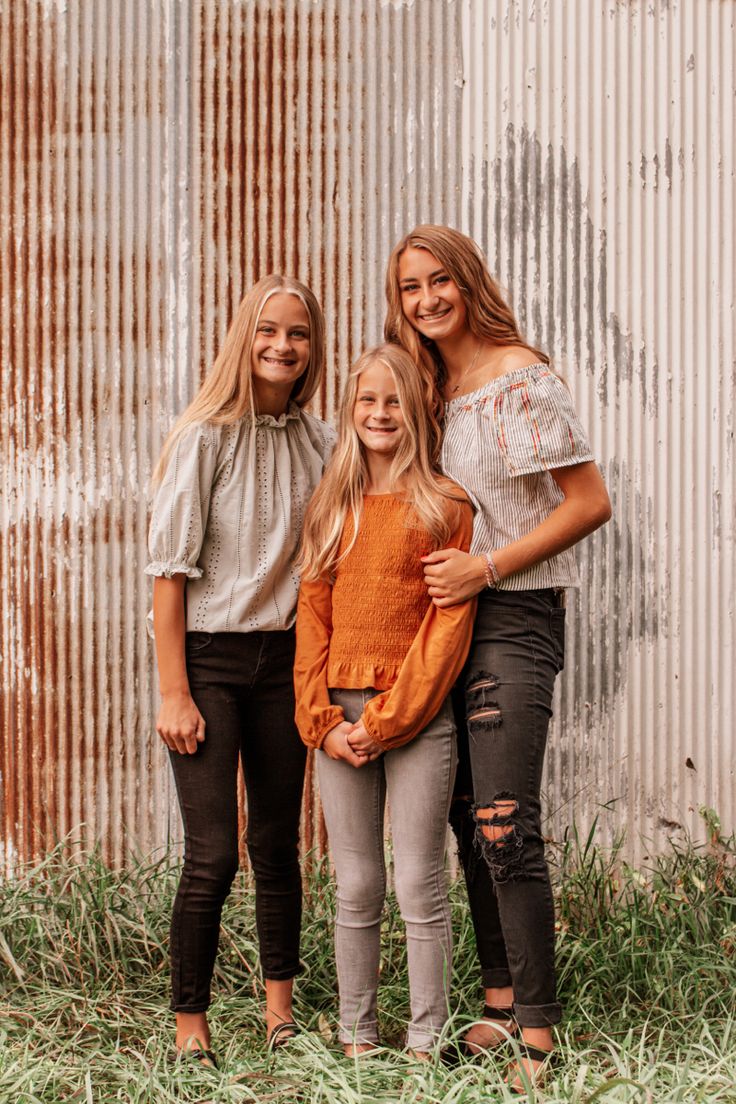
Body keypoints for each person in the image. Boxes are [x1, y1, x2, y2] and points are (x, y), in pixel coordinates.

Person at [384, 225, 612, 1088]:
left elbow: (589, 504)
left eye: (440, 281)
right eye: (410, 288)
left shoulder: (518, 378)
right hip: (444, 622)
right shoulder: (431, 388)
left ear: (469, 281)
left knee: (505, 822)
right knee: (463, 814)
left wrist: (485, 566)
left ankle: (540, 1038)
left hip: (513, 614)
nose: (428, 299)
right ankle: (500, 998)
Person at [146, 274, 336, 1065]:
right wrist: (173, 692)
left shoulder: (321, 441)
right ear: (243, 338)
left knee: (277, 845)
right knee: (213, 851)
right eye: (268, 331)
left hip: (285, 661)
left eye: (297, 333)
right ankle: (191, 1023)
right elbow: (168, 574)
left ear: (311, 347)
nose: (282, 346)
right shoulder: (206, 438)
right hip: (210, 661)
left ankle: (279, 1014)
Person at [294, 343, 477, 1057]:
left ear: (419, 412)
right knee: (357, 884)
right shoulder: (330, 506)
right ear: (350, 408)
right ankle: (357, 1037)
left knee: (417, 883)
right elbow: (312, 618)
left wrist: (392, 718)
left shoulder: (445, 504)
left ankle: (428, 1039)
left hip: (417, 717)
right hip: (339, 720)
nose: (380, 413)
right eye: (368, 400)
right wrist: (321, 723)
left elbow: (446, 627)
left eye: (394, 401)